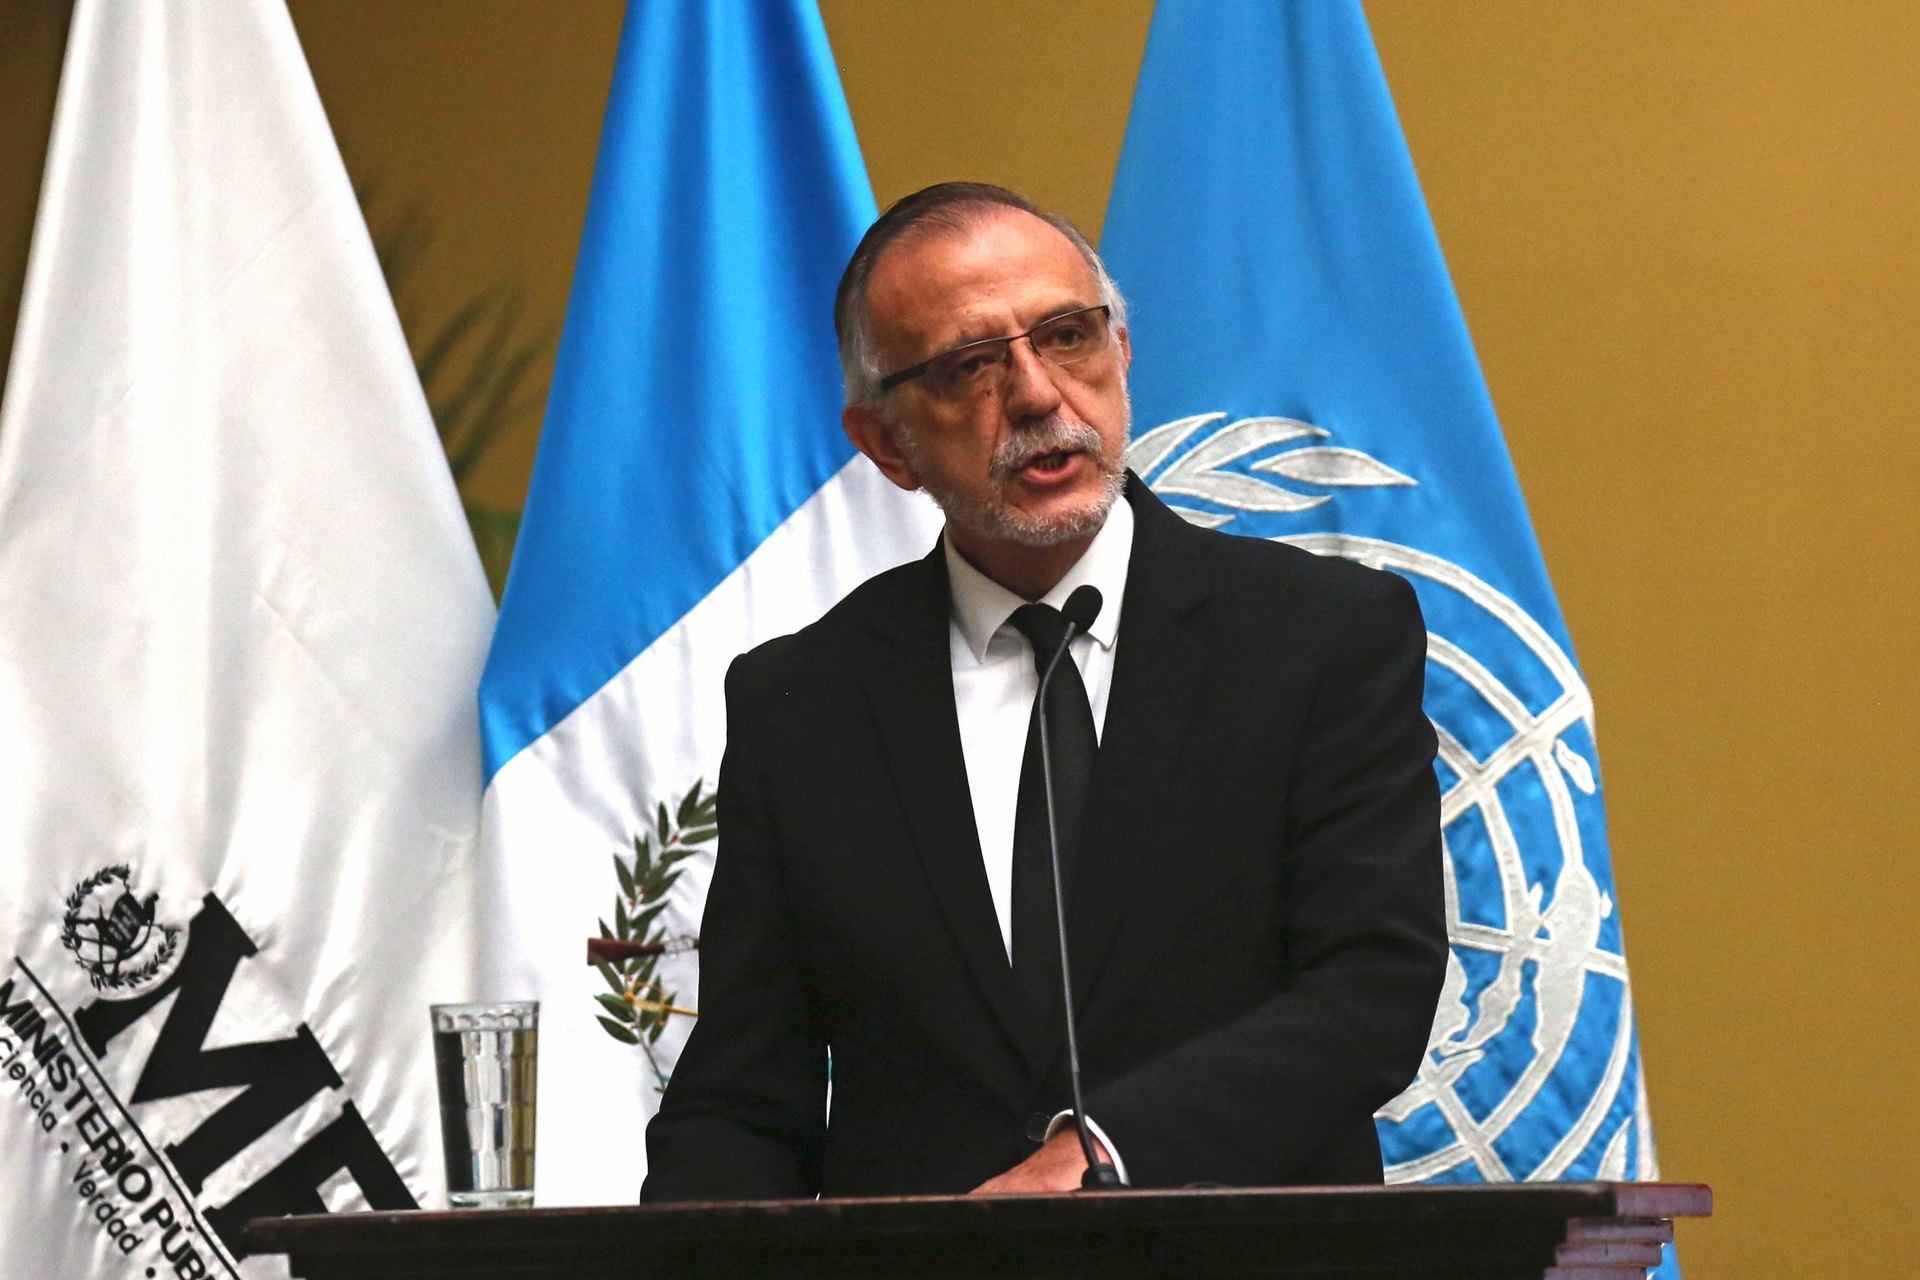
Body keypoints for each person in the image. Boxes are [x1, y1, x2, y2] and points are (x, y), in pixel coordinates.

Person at [641, 182, 1446, 1200]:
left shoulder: (1320, 635)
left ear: (1123, 354)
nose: (1035, 395)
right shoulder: (802, 701)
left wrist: (1106, 1152)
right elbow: (743, 1094)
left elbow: (1371, 993)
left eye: (1068, 337)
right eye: (970, 365)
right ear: (886, 442)